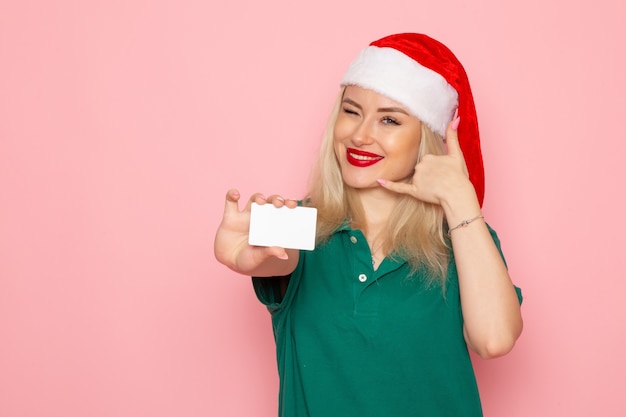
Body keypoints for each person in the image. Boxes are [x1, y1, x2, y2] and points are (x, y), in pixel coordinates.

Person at [214, 33, 523, 417]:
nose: (360, 135)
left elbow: (494, 340)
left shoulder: (463, 236)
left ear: (426, 138)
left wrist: (460, 201)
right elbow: (275, 258)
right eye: (351, 111)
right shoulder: (296, 224)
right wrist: (248, 254)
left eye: (389, 119)